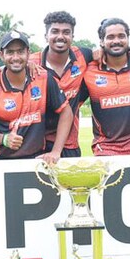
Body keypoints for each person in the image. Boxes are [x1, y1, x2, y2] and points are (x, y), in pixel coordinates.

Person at [0, 30, 73, 162]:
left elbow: (66, 112)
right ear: (1, 55)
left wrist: (56, 151)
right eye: (10, 52)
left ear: (28, 53)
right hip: (0, 160)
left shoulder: (43, 79)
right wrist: (3, 139)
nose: (16, 57)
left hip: (36, 158)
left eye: (20, 51)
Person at [74, 18, 130, 155]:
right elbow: (70, 107)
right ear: (101, 41)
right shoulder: (89, 70)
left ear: (128, 39)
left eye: (121, 36)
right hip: (105, 151)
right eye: (110, 37)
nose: (116, 41)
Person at [31, 11, 92, 158]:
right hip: (37, 144)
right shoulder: (31, 63)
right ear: (46, 36)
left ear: (72, 36)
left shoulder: (84, 56)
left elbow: (111, 52)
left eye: (66, 32)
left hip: (69, 145)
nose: (60, 36)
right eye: (55, 31)